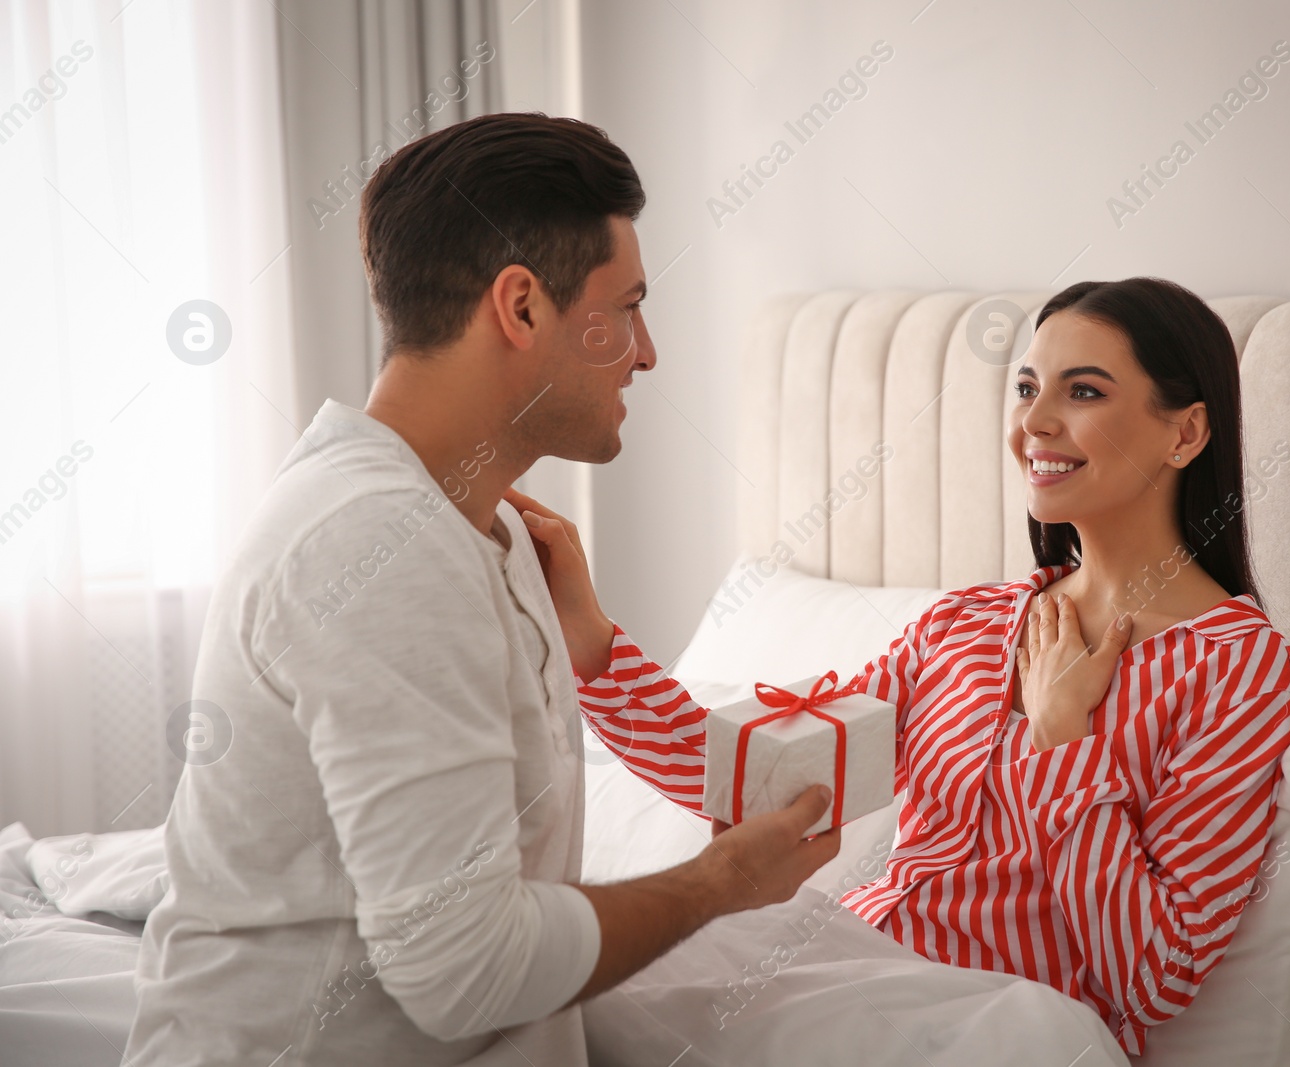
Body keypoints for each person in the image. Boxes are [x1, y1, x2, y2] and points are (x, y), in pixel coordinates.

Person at [124, 113, 840, 1067]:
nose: (647, 351)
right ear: (522, 307)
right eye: (626, 306)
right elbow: (463, 972)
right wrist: (719, 880)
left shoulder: (487, 527)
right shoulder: (379, 542)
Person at [524, 276, 1290, 1057]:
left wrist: (1059, 739)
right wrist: (590, 639)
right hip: (854, 966)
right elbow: (755, 766)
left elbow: (1153, 974)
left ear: (1185, 432)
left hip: (1015, 1025)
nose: (1034, 423)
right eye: (1025, 389)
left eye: (1082, 392)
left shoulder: (1240, 673)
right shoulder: (964, 627)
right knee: (573, 980)